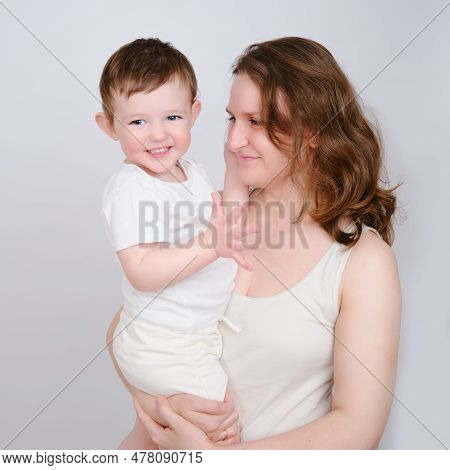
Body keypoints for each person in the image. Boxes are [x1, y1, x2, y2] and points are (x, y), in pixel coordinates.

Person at [106, 36, 402, 449]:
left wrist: (214, 458)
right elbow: (125, 327)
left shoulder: (362, 260)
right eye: (232, 119)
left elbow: (358, 429)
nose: (232, 141)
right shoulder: (216, 214)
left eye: (256, 122)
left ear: (312, 131)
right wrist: (161, 405)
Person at [96, 38, 254, 434]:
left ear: (194, 113)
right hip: (163, 341)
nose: (156, 134)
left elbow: (228, 221)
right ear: (108, 126)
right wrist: (208, 245)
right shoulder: (131, 188)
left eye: (171, 118)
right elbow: (142, 272)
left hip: (195, 334)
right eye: (137, 122)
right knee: (220, 426)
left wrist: (234, 173)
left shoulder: (193, 172)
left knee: (157, 437)